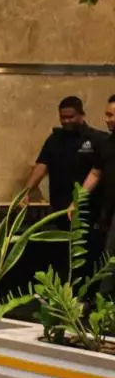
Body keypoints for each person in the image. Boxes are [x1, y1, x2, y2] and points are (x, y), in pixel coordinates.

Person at [23, 96, 107, 216]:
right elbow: (42, 166)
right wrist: (26, 191)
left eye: (71, 117)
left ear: (82, 115)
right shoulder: (54, 139)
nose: (66, 121)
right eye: (63, 117)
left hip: (90, 208)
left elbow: (97, 173)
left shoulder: (98, 139)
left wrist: (78, 202)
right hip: (59, 208)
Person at [80, 94, 115, 287]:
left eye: (111, 115)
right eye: (106, 114)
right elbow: (95, 173)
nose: (106, 119)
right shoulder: (106, 143)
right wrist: (77, 200)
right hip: (109, 211)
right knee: (108, 258)